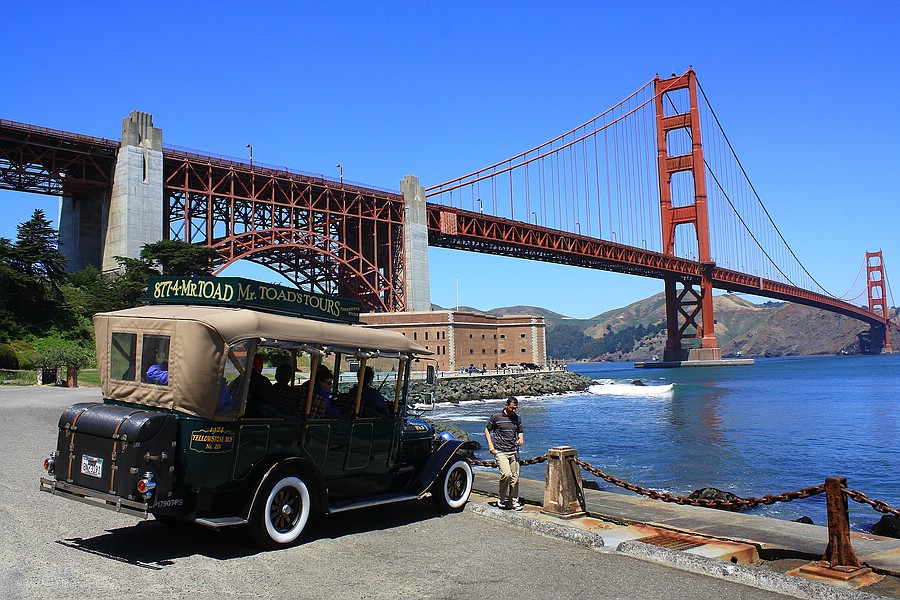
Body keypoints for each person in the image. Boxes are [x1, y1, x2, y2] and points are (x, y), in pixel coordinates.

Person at [484, 396, 524, 510]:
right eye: (512, 408)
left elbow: (520, 432)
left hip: (513, 451)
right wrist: (491, 446)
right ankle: (501, 498)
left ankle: (514, 501)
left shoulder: (517, 418)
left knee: (515, 478)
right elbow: (487, 430)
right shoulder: (496, 417)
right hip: (501, 451)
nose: (514, 410)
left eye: (515, 408)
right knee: (506, 475)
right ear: (506, 405)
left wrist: (521, 439)